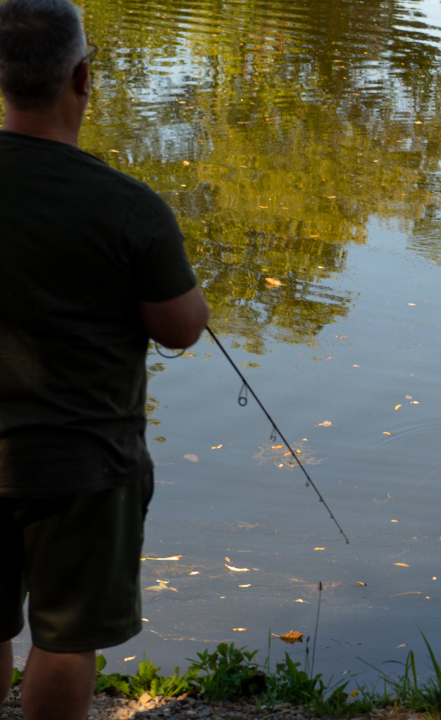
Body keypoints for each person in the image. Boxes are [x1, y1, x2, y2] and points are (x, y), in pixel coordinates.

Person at [0, 0, 209, 716]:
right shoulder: (129, 208)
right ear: (82, 78)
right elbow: (182, 329)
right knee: (65, 640)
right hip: (83, 466)